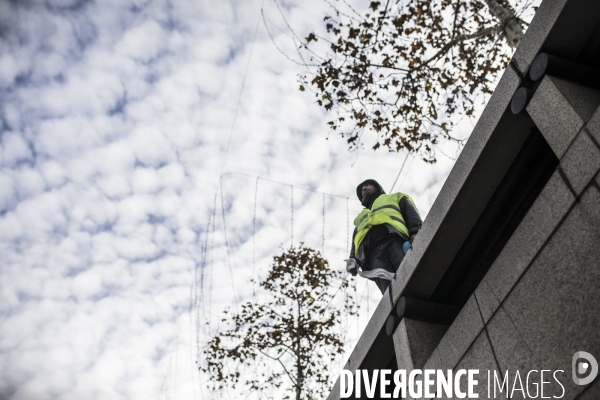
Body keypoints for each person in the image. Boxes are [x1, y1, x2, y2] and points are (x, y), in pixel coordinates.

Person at [346, 179, 422, 294]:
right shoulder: (359, 218)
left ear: (377, 186)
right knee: (389, 293)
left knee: (411, 276)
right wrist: (353, 260)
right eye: (362, 190)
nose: (364, 189)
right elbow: (356, 242)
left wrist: (415, 232)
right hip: (373, 256)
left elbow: (411, 214)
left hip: (396, 242)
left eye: (367, 185)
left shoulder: (395, 197)